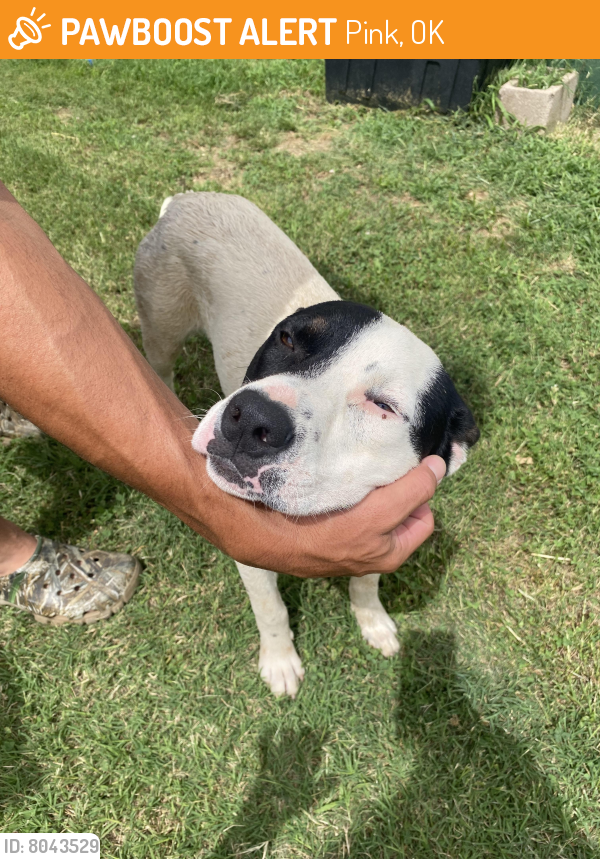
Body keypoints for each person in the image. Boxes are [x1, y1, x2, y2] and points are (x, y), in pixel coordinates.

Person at [0, 181, 444, 625]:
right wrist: (275, 637)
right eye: (288, 340)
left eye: (383, 405)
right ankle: (274, 628)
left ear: (448, 455)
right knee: (159, 358)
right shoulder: (190, 241)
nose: (258, 415)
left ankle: (364, 605)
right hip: (183, 246)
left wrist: (367, 601)